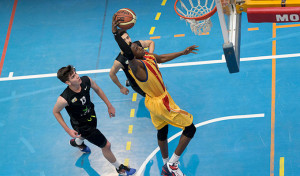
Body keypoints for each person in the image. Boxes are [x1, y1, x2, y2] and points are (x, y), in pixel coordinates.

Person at [112, 15, 198, 176]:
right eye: (137, 49)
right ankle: (173, 164)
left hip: (152, 102)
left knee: (162, 131)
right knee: (190, 128)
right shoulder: (137, 67)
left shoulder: (148, 56)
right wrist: (115, 33)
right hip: (161, 102)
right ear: (133, 57)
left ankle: (166, 165)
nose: (139, 48)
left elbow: (162, 58)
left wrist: (182, 52)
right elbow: (128, 54)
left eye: (139, 47)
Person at [52, 65, 136, 176]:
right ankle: (119, 168)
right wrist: (67, 129)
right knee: (106, 145)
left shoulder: (86, 80)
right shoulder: (64, 98)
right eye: (73, 76)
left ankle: (77, 143)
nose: (77, 76)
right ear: (68, 82)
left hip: (91, 116)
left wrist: (109, 105)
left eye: (75, 73)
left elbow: (97, 89)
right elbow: (55, 112)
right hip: (82, 126)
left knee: (83, 135)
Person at [109, 30, 155, 97]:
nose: (127, 41)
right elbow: (112, 74)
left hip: (147, 74)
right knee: (153, 97)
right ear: (120, 43)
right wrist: (121, 87)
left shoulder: (138, 45)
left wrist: (150, 56)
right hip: (138, 84)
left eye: (128, 37)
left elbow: (151, 43)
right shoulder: (120, 60)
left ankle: (128, 81)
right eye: (123, 40)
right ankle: (130, 81)